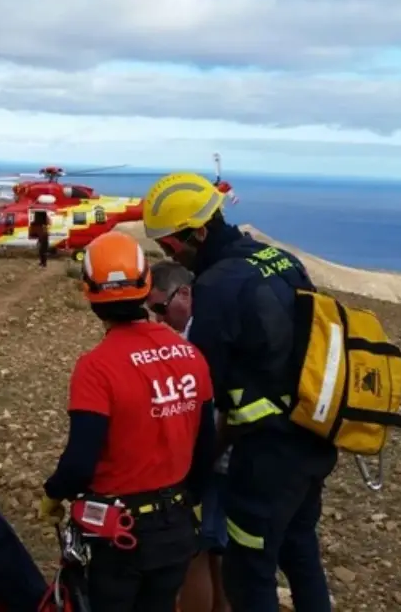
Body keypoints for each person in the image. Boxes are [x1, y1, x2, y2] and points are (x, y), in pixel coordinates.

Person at [141, 173, 338, 612]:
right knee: (301, 553)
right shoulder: (282, 260)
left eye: (171, 245)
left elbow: (202, 391)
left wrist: (187, 472)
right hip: (315, 435)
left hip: (268, 454)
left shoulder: (215, 288)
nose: (169, 253)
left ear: (200, 232)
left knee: (250, 573)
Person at [39, 230, 218, 612]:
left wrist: (55, 493)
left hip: (121, 536)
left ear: (89, 294)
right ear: (146, 286)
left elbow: (81, 459)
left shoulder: (97, 368)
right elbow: (206, 444)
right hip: (175, 526)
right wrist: (189, 502)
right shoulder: (189, 354)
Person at [148, 260, 231, 612]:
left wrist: (201, 457)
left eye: (160, 308)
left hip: (212, 459)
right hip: (218, 457)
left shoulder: (203, 336)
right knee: (215, 549)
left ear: (184, 293)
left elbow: (220, 406)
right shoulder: (199, 328)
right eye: (150, 310)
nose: (157, 319)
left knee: (195, 550)